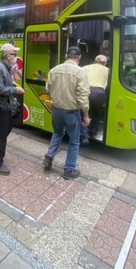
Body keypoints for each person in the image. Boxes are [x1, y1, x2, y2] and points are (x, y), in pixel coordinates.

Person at [43, 46, 90, 180]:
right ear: (79, 58)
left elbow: (48, 89)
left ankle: (49, 157)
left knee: (57, 133)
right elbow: (83, 97)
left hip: (56, 110)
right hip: (71, 112)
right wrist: (86, 116)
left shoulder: (54, 70)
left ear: (66, 56)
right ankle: (69, 170)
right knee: (74, 141)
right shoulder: (81, 72)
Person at [0, 44, 26, 175]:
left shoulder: (7, 68)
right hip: (0, 107)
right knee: (1, 136)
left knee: (5, 130)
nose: (15, 57)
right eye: (14, 54)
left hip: (5, 106)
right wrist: (15, 90)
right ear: (8, 56)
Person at [82, 54, 109, 140]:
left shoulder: (86, 67)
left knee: (84, 112)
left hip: (87, 91)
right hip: (99, 93)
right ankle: (92, 133)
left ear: (95, 61)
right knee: (96, 114)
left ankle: (82, 132)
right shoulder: (108, 70)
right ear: (105, 63)